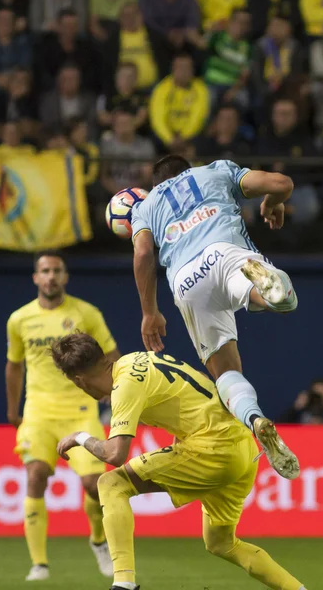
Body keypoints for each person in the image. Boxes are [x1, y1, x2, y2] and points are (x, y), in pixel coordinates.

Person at [53, 332, 307, 590]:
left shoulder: (124, 386)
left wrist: (81, 437)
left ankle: (123, 584)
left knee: (110, 484)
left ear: (79, 381)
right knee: (221, 543)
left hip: (212, 450)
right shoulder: (137, 359)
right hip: (242, 446)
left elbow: (114, 454)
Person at [131, 154, 300, 479]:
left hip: (185, 279)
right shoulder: (215, 171)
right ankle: (267, 288)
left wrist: (149, 312)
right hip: (225, 250)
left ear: (155, 184)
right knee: (282, 303)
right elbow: (282, 184)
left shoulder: (146, 206)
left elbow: (142, 254)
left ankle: (255, 420)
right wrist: (271, 203)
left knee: (225, 371)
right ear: (188, 168)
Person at [6, 251, 120, 581]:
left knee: (93, 485)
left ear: (65, 277)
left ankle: (98, 540)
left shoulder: (86, 313)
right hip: (39, 410)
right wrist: (12, 409)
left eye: (57, 270)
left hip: (80, 409)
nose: (51, 276)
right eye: (45, 271)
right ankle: (39, 564)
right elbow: (14, 366)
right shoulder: (19, 319)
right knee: (35, 475)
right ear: (36, 278)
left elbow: (112, 357)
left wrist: (118, 395)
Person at [149, 53, 210, 152]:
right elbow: (157, 117)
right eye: (180, 67)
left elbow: (198, 117)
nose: (184, 71)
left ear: (193, 70)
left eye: (187, 68)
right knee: (154, 138)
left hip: (190, 135)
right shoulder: (162, 88)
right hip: (166, 136)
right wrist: (169, 138)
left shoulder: (200, 88)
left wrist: (184, 137)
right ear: (173, 69)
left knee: (203, 139)